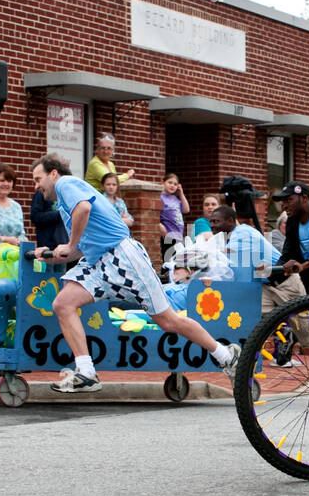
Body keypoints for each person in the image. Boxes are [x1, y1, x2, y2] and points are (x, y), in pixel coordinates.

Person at [32, 155, 238, 392]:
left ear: (53, 174)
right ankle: (86, 372)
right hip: (98, 261)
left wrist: (69, 244)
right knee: (63, 303)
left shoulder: (65, 184)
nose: (36, 186)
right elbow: (79, 248)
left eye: (38, 179)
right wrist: (53, 252)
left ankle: (225, 355)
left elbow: (84, 208)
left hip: (123, 256)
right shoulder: (65, 205)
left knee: (168, 321)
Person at [209, 205, 309, 362]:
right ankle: (247, 366)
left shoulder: (242, 234)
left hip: (287, 284)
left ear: (230, 221)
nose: (212, 225)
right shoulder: (232, 237)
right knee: (249, 320)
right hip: (266, 286)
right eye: (211, 221)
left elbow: (227, 264)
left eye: (216, 221)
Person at [159, 173, 188, 260]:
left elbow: (186, 210)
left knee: (177, 260)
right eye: (170, 182)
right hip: (168, 234)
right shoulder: (160, 197)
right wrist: (159, 225)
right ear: (163, 182)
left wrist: (181, 194)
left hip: (178, 234)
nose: (172, 186)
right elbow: (156, 214)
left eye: (175, 184)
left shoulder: (176, 199)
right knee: (168, 258)